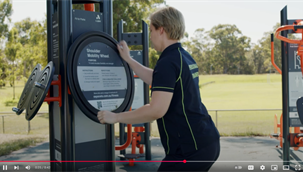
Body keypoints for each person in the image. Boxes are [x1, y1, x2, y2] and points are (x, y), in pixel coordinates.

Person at [97, 6, 220, 172]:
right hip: (205, 140)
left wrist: (116, 117)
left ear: (161, 30)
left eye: (152, 30)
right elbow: (157, 79)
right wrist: (129, 60)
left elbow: (156, 110)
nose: (151, 36)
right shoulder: (182, 55)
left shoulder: (168, 62)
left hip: (190, 149)